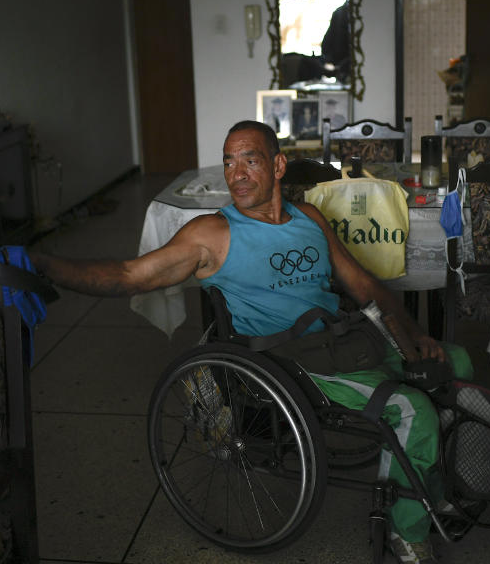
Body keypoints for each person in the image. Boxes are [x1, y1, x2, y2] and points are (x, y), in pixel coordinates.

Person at [30, 120, 467, 564]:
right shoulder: (211, 234)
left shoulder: (310, 219)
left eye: (250, 160)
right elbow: (127, 276)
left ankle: (429, 488)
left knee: (457, 365)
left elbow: (364, 286)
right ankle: (408, 529)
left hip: (344, 341)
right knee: (416, 411)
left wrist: (415, 337)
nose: (236, 173)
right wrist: (42, 262)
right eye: (228, 162)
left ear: (278, 165)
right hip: (293, 364)